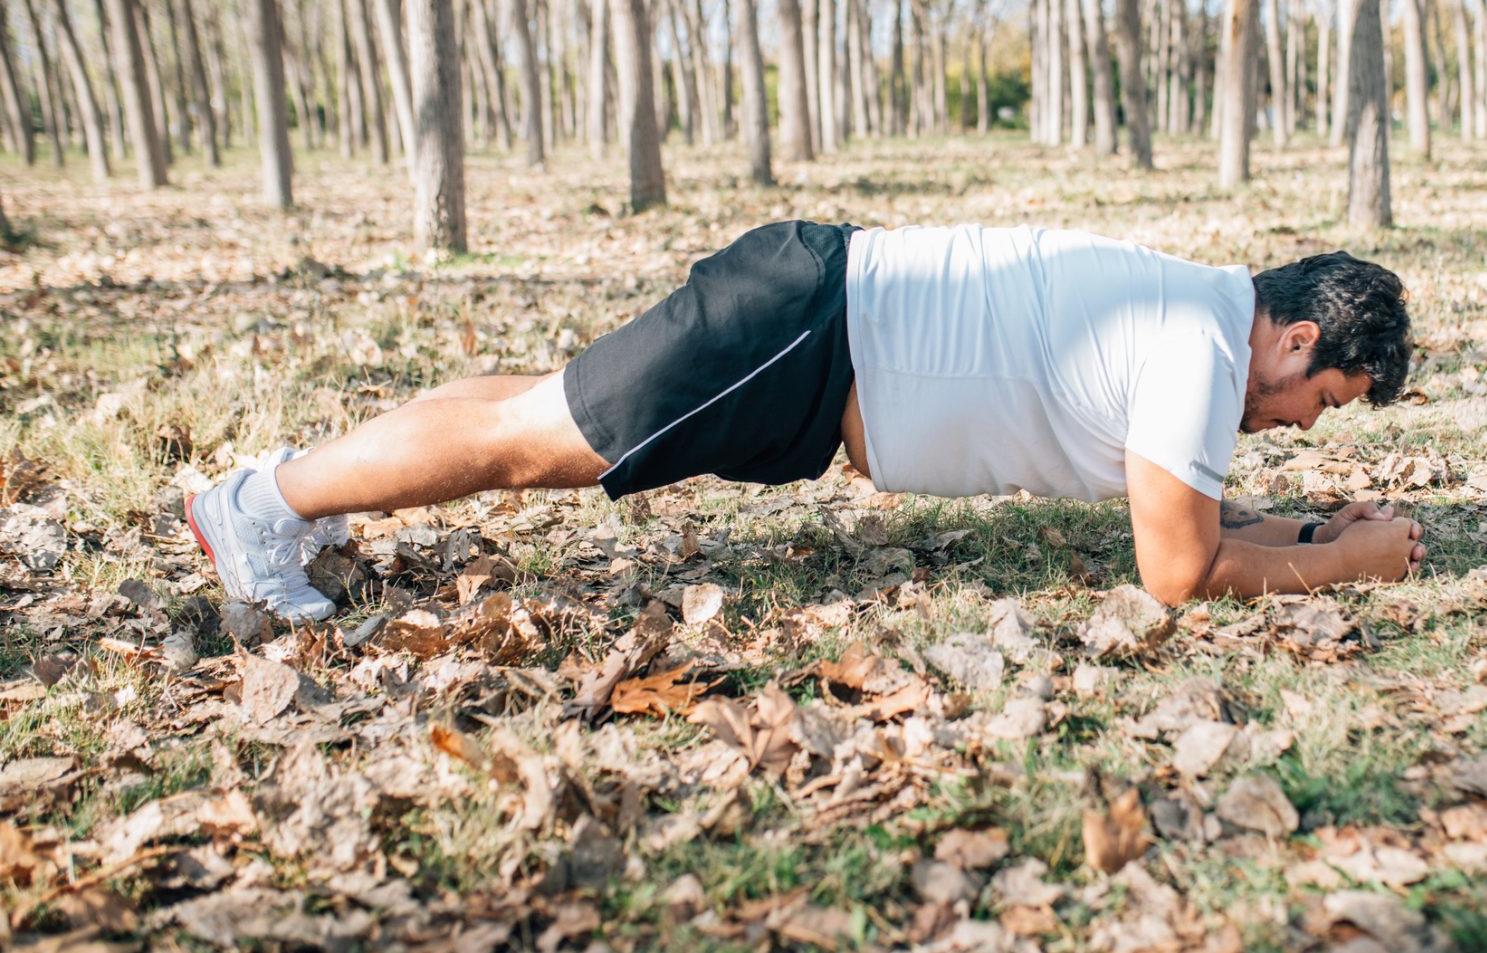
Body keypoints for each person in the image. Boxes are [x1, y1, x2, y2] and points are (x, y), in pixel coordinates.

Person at [185, 221, 1424, 622]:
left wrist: (1307, 524)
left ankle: (281, 493)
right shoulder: (1201, 347)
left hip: (816, 337)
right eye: (1322, 402)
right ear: (1298, 338)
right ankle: (255, 509)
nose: (1305, 427)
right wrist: (1346, 561)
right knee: (528, 439)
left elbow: (1192, 507)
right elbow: (1177, 567)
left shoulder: (1201, 317)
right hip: (807, 329)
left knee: (528, 414)